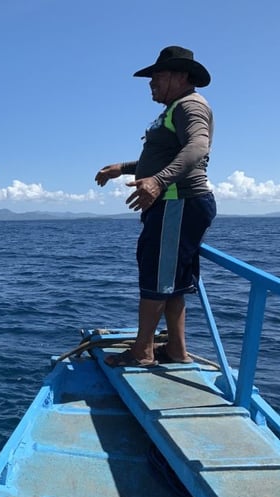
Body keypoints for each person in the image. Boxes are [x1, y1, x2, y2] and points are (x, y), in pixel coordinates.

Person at [95, 46, 217, 367]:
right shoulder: (174, 108)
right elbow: (158, 159)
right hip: (176, 205)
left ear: (180, 76)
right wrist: (120, 168)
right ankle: (176, 350)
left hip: (177, 204)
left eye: (157, 76)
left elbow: (197, 147)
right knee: (172, 282)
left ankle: (143, 351)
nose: (151, 83)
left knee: (156, 278)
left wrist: (158, 181)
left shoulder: (190, 106)